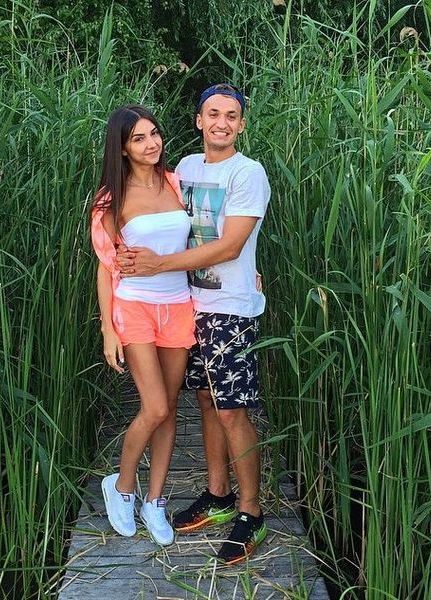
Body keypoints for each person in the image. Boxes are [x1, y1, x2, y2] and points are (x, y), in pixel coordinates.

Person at [116, 84, 271, 564]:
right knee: (205, 400)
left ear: (241, 124)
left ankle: (251, 511)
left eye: (232, 115)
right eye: (213, 114)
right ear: (199, 120)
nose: (222, 122)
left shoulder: (248, 173)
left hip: (230, 307)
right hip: (189, 305)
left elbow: (230, 246)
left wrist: (158, 265)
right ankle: (218, 494)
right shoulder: (184, 168)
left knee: (232, 410)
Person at [90, 105, 195, 546]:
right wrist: (107, 329)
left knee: (168, 407)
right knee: (153, 407)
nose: (151, 144)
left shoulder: (176, 183)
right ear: (122, 148)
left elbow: (206, 237)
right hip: (135, 308)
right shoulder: (111, 199)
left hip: (179, 306)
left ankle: (155, 501)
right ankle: (121, 486)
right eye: (138, 138)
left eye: (154, 133)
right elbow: (105, 266)